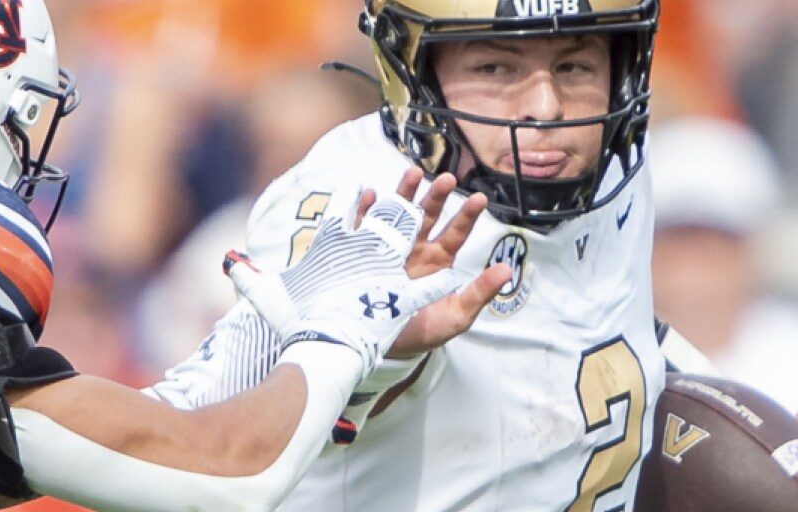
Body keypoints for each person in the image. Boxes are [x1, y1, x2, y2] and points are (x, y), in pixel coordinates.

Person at [0, 1, 508, 511]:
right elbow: (228, 476)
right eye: (17, 119)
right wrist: (342, 326)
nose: (24, 153)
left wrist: (249, 356)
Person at [153, 0, 672, 510]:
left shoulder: (609, 168)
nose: (545, 107)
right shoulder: (352, 198)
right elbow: (223, 440)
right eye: (494, 68)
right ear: (413, 70)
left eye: (574, 66)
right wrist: (377, 354)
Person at [650, 117, 798, 414]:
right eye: (677, 243)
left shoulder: (789, 354)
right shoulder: (601, 353)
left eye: (712, 247)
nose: (691, 274)